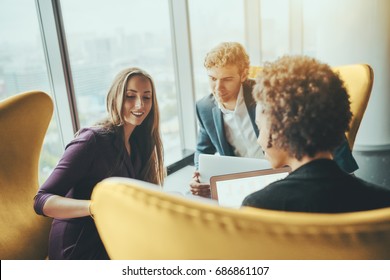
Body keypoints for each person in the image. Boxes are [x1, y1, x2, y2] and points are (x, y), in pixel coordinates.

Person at [190, 42, 358, 198]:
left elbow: (321, 121)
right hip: (242, 183)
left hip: (286, 174)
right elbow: (202, 149)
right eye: (212, 78)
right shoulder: (203, 107)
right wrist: (199, 175)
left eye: (227, 79)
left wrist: (347, 176)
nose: (218, 88)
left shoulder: (268, 94)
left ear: (243, 75)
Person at [34, 67, 165, 259]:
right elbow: (41, 200)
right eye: (130, 96)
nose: (140, 105)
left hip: (112, 240)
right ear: (115, 98)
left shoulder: (140, 144)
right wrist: (95, 207)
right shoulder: (92, 140)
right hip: (79, 247)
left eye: (146, 97)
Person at [242, 55, 390, 212]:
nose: (259, 140)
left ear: (276, 130)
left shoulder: (257, 207)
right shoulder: (384, 203)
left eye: (260, 127)